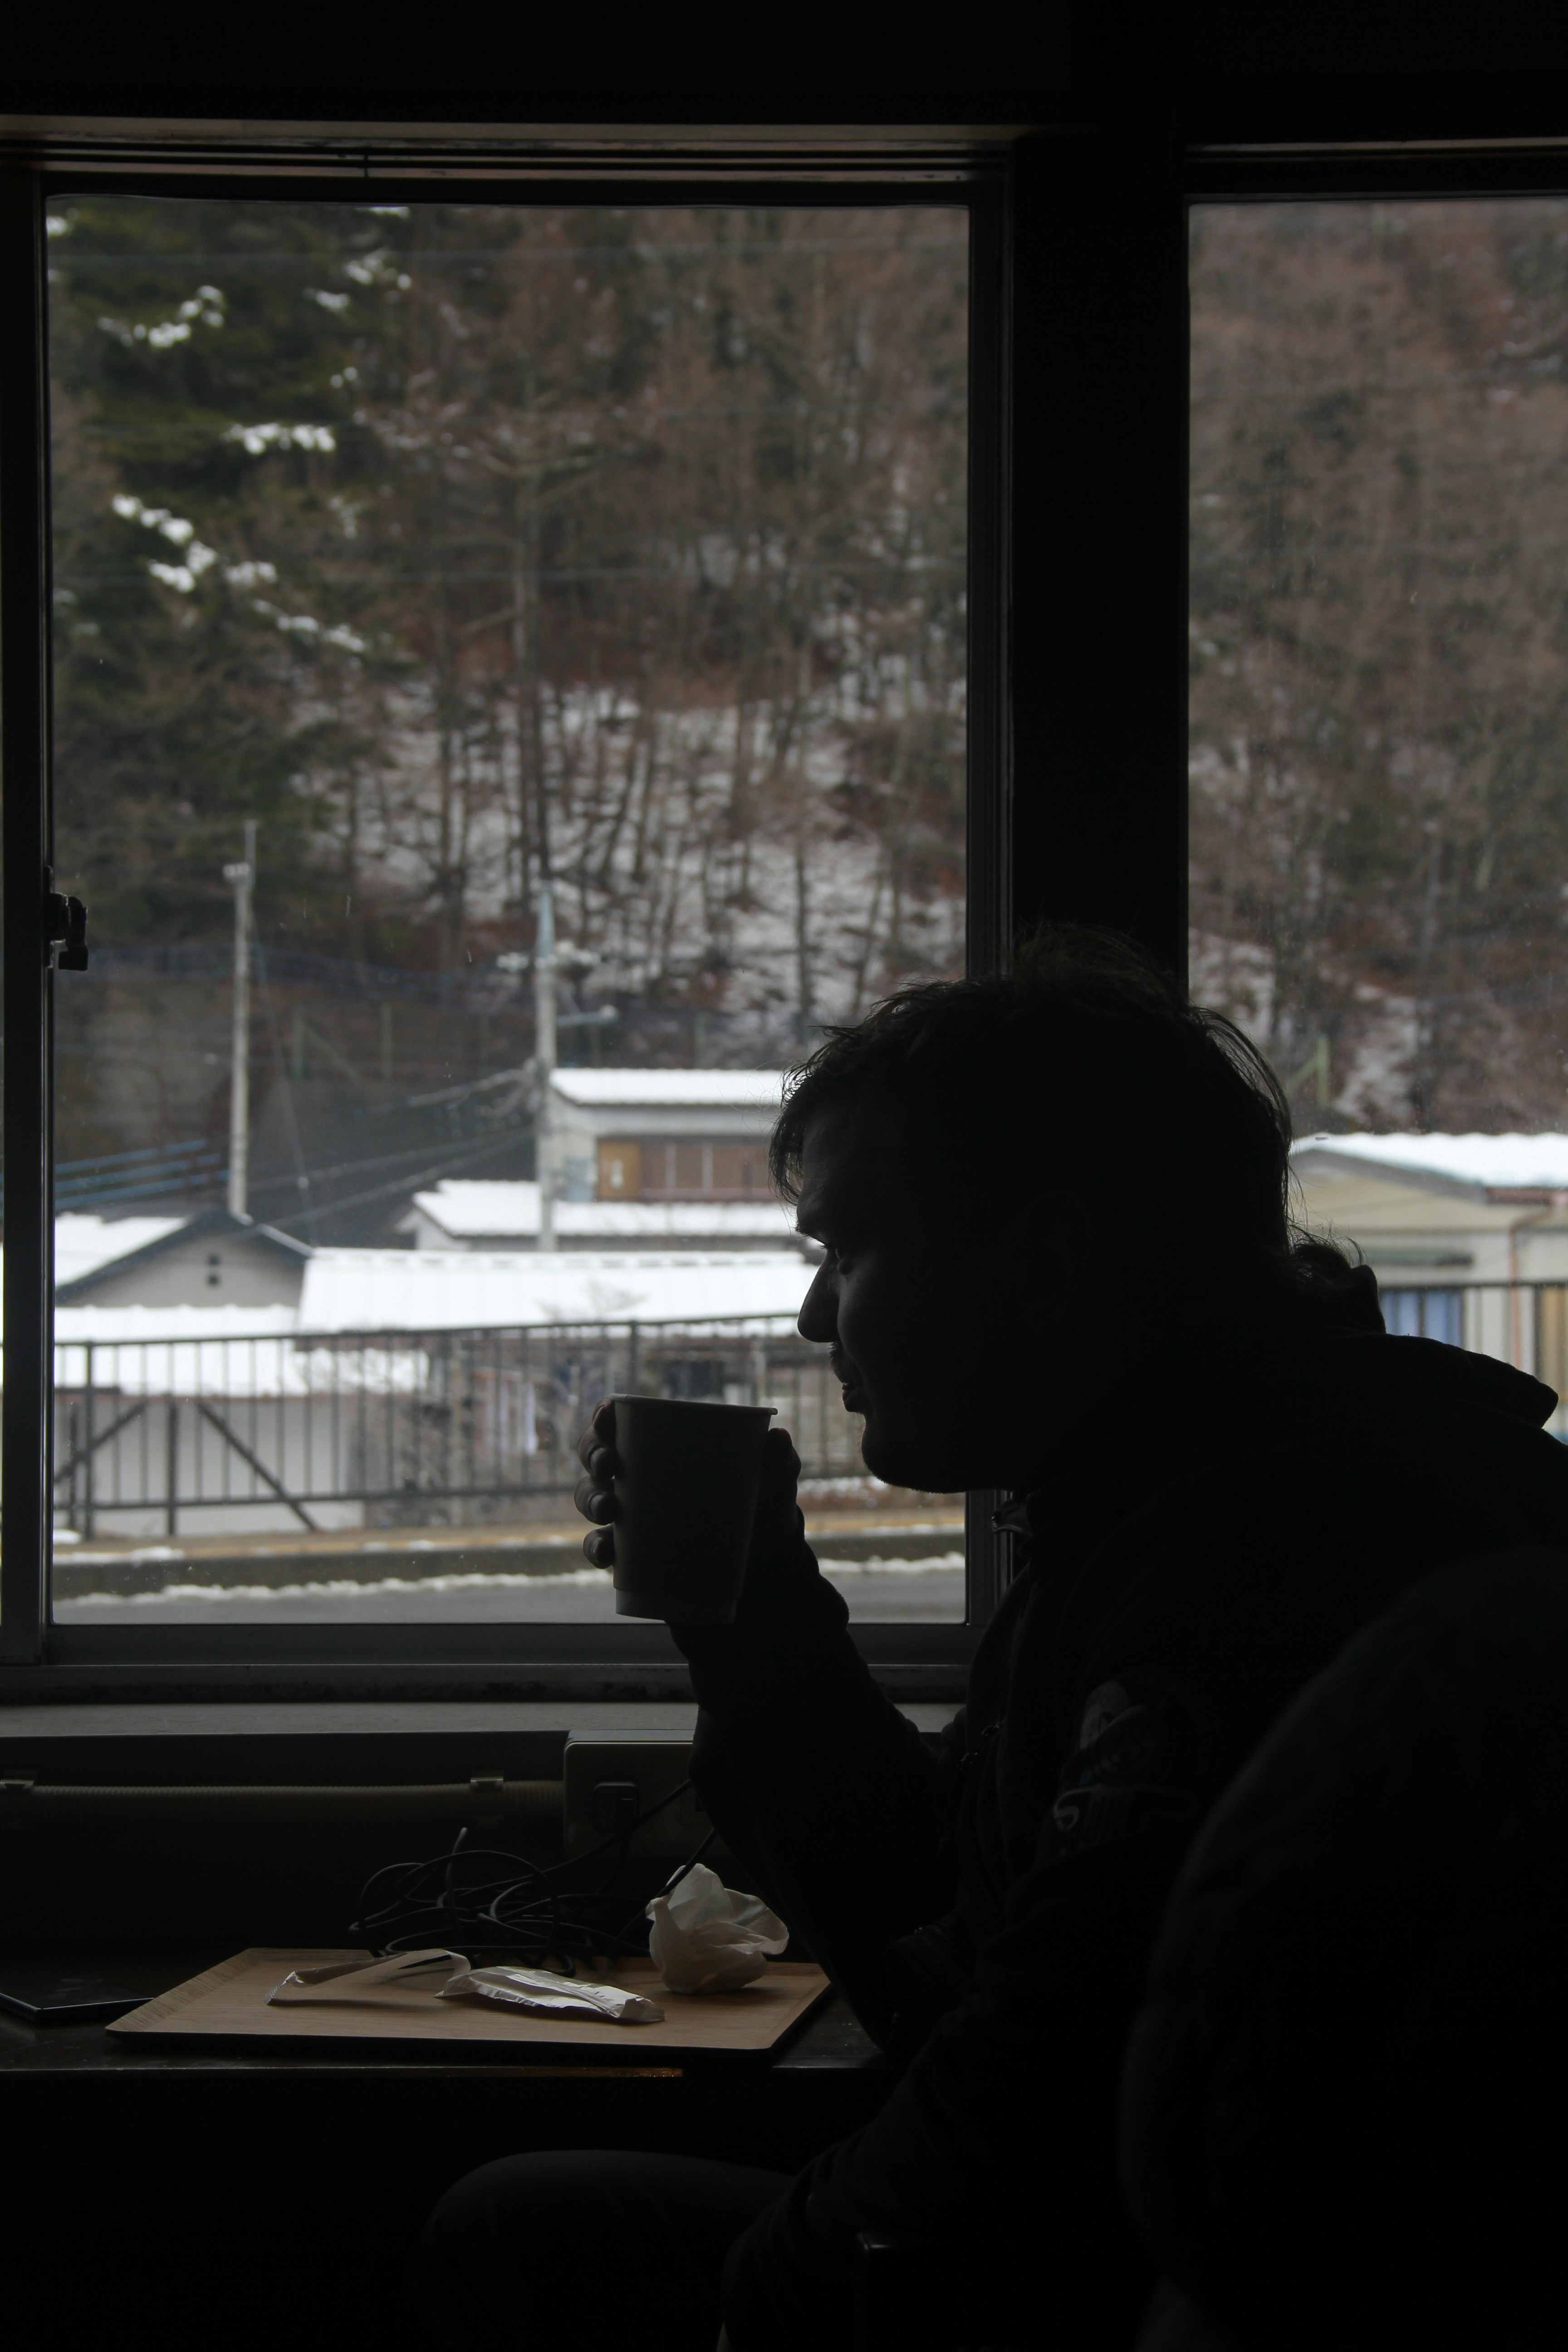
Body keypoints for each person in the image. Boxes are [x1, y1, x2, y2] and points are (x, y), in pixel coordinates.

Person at [414, 928, 1568, 2350]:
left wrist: (771, 2295)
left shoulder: (1258, 1561)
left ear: (1041, 1264)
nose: (812, 1314)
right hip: (1123, 2244)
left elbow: (1039, 2072)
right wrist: (753, 1607)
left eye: (848, 1247)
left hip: (1123, 2272)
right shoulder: (1189, 1496)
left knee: (520, 2234)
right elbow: (934, 1915)